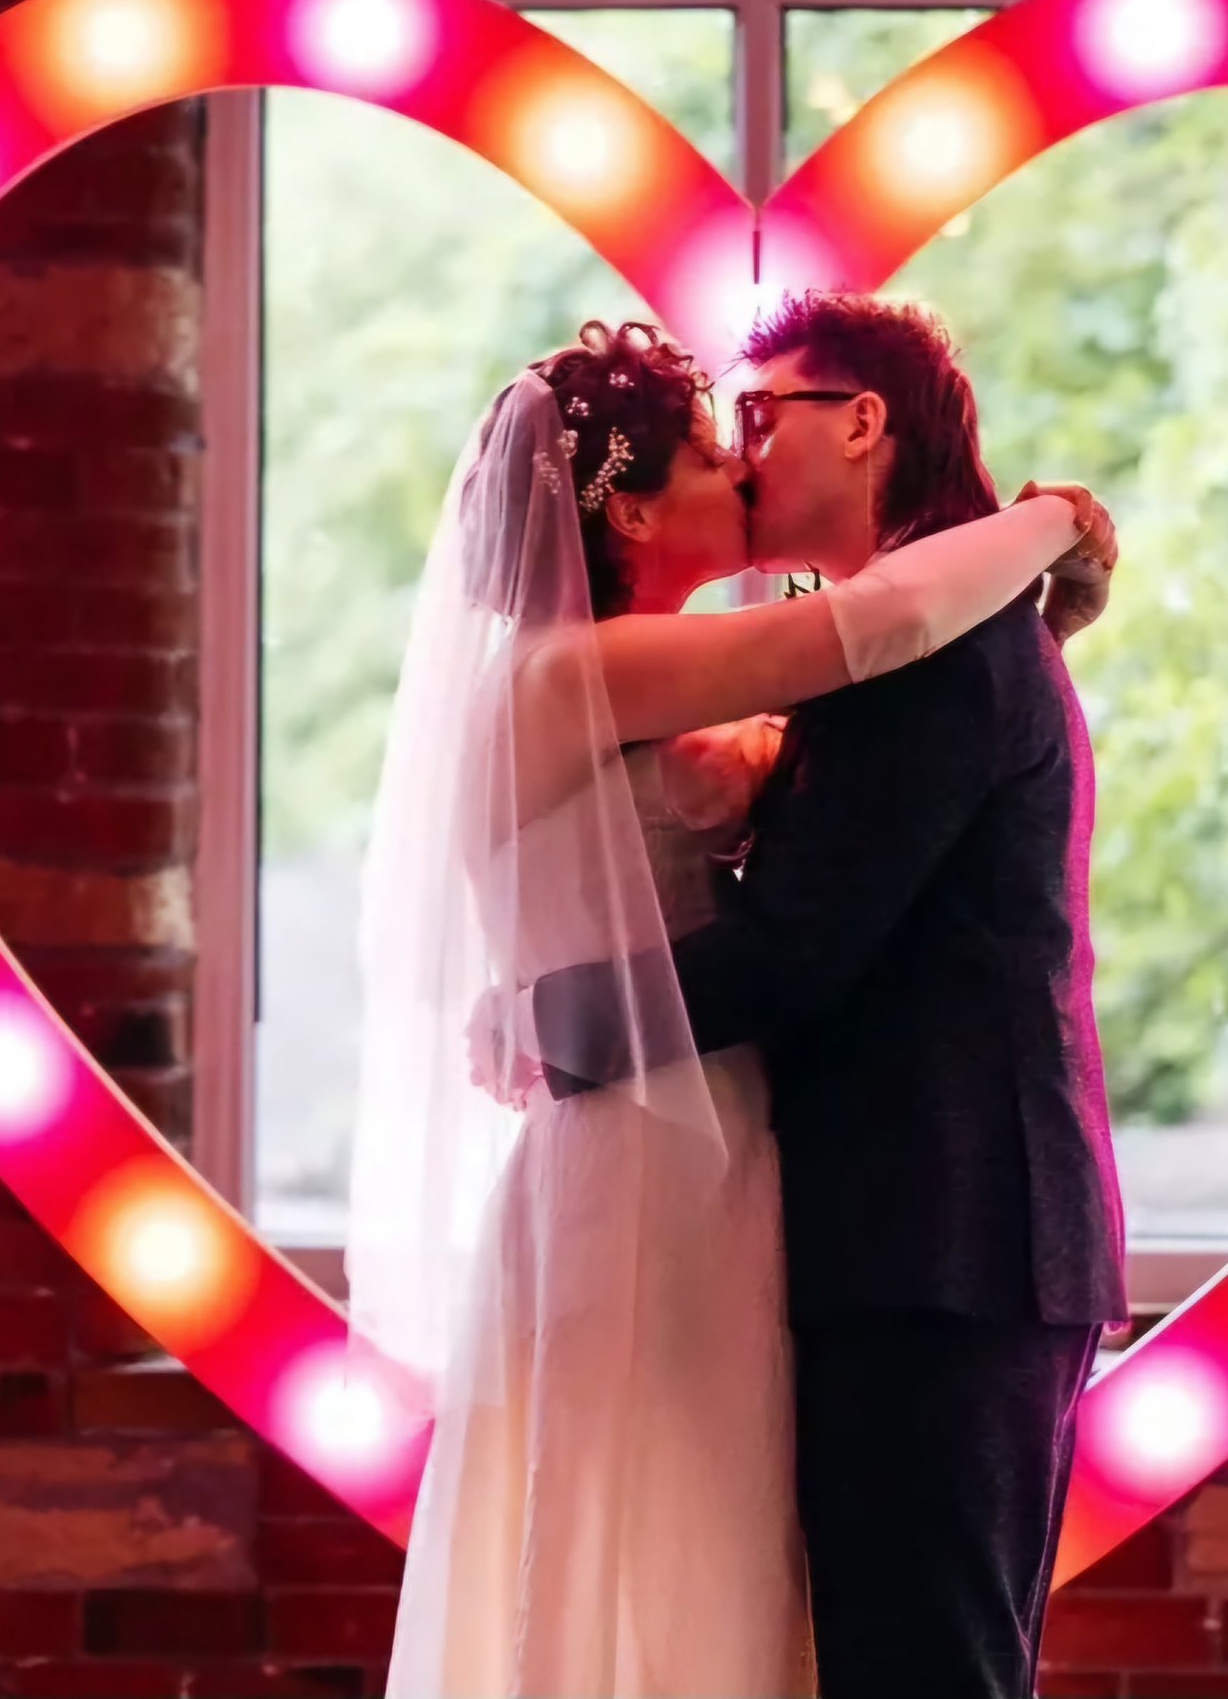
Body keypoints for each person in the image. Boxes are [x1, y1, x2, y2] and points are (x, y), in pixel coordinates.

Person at [348, 311, 1117, 1698]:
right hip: (670, 1167)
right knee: (672, 1577)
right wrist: (1046, 526)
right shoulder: (602, 668)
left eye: (760, 422)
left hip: (911, 1221)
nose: (746, 465)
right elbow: (871, 628)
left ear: (865, 421)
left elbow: (797, 931)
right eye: (721, 441)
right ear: (630, 507)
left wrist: (550, 1019)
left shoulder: (888, 658)